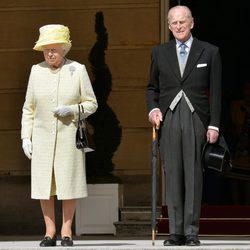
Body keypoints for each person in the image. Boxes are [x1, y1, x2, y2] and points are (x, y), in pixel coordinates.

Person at [146, 5, 221, 246]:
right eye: (173, 23)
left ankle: (191, 232)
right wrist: (153, 108)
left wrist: (214, 125)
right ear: (168, 26)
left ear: (192, 23)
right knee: (173, 174)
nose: (178, 26)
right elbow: (151, 88)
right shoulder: (159, 52)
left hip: (196, 118)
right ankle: (175, 232)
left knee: (193, 175)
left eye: (182, 22)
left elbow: (216, 94)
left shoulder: (209, 52)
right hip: (168, 118)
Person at [21, 24, 98, 247]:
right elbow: (29, 108)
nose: (50, 53)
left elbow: (92, 103)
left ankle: (66, 230)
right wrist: (26, 137)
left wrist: (73, 110)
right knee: (45, 185)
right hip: (42, 137)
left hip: (68, 137)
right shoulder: (36, 71)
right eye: (46, 50)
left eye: (54, 49)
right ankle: (49, 231)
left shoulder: (78, 69)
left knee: (68, 184)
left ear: (64, 49)